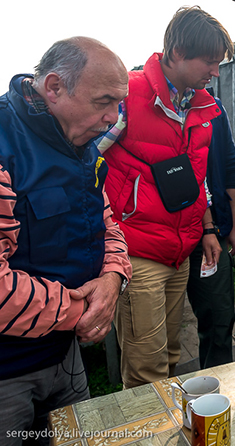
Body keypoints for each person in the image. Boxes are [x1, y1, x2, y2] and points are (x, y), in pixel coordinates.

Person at [0, 37, 132, 444]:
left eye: (119, 104)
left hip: (66, 356)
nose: (113, 118)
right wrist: (81, 312)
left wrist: (112, 280)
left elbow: (107, 223)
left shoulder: (80, 143)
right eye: (103, 101)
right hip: (9, 374)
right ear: (54, 88)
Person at [99, 6, 234, 388]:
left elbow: (198, 179)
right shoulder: (127, 95)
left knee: (171, 354)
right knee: (146, 369)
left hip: (181, 252)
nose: (216, 72)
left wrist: (208, 227)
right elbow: (84, 163)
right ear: (177, 53)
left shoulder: (201, 105)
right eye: (209, 62)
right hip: (138, 250)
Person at [187, 91, 235, 369]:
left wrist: (233, 225)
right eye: (208, 61)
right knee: (160, 338)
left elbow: (230, 164)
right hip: (161, 234)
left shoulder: (213, 107)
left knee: (219, 316)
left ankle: (216, 387)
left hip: (212, 232)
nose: (214, 72)